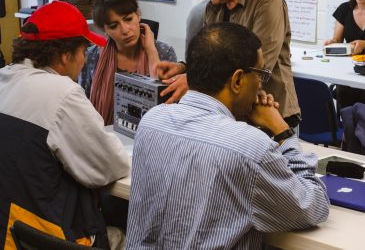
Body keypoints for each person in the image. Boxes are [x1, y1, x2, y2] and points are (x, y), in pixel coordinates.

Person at [126, 23, 330, 249]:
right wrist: (282, 131)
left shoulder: (152, 120)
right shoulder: (250, 147)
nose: (261, 86)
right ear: (238, 80)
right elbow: (313, 207)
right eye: (260, 75)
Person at [0, 1, 130, 249]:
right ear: (64, 54)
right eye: (83, 51)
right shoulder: (62, 93)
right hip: (55, 237)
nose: (84, 60)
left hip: (16, 233)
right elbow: (110, 165)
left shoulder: (3, 79)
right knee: (126, 233)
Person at [156, 0, 300, 128]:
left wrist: (193, 80)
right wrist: (184, 67)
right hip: (231, 117)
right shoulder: (213, 7)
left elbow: (256, 69)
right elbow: (212, 58)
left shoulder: (267, 2)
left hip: (271, 116)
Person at [78, 0, 177, 125]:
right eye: (114, 26)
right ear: (104, 30)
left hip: (152, 132)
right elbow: (84, 107)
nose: (125, 30)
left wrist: (151, 52)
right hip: (104, 134)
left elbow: (168, 105)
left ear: (138, 15)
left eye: (128, 19)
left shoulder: (163, 52)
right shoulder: (92, 57)